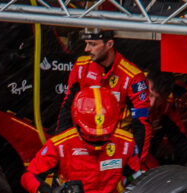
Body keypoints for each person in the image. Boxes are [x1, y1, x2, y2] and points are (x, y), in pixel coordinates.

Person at [57, 28, 151, 158]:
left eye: (93, 44)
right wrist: (62, 146)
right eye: (86, 43)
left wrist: (136, 161)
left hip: (115, 147)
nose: (86, 49)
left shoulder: (133, 77)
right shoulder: (81, 66)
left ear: (109, 44)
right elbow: (67, 108)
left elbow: (141, 122)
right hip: (83, 144)